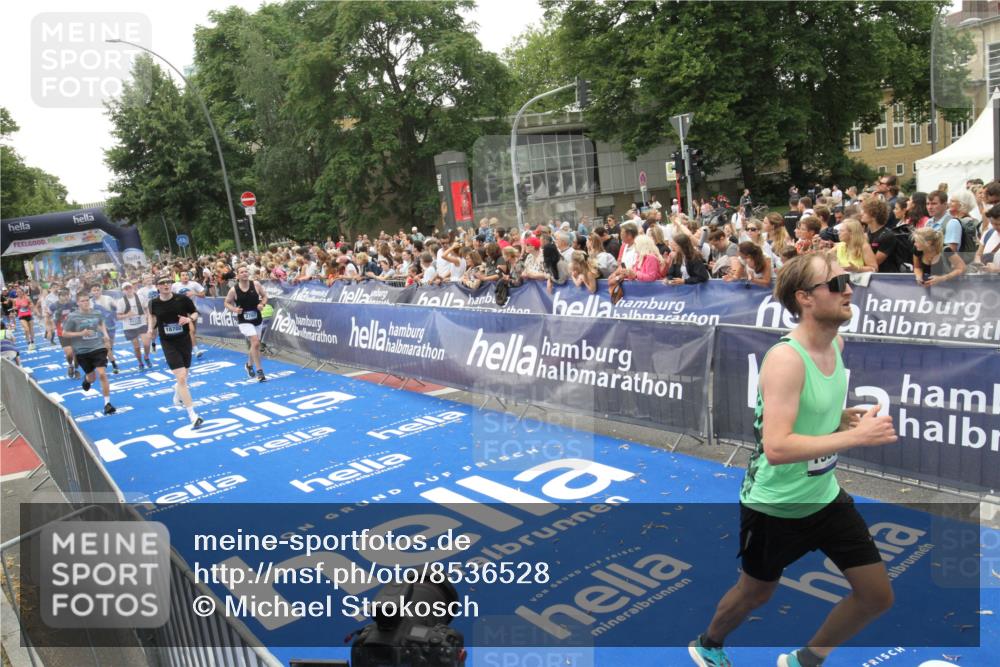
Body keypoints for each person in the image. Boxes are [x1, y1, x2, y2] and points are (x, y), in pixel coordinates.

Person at [689, 253, 898, 667]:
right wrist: (856, 436)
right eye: (836, 284)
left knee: (876, 596)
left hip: (824, 497)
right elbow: (778, 447)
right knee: (756, 592)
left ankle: (805, 661)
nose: (848, 290)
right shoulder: (786, 359)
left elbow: (807, 412)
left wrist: (839, 418)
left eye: (848, 280)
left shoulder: (835, 344)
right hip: (775, 505)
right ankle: (709, 643)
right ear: (805, 297)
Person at [148, 275, 204, 429]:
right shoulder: (153, 303)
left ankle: (177, 391)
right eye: (162, 283)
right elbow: (152, 318)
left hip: (184, 340)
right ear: (157, 287)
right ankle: (193, 415)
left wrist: (189, 319)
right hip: (168, 343)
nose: (166, 285)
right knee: (181, 377)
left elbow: (195, 313)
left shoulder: (182, 299)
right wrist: (150, 330)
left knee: (184, 376)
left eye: (168, 282)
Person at [62, 292, 117, 415]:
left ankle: (107, 404)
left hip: (98, 347)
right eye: (83, 301)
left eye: (87, 300)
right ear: (78, 303)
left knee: (102, 373)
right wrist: (80, 334)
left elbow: (101, 323)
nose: (86, 303)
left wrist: (105, 335)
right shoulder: (72, 316)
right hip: (82, 351)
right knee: (92, 378)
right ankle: (87, 380)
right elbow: (65, 333)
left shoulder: (96, 313)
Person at [224, 265, 268, 382]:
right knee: (255, 342)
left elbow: (265, 296)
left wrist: (262, 304)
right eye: (241, 272)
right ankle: (260, 372)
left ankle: (249, 365)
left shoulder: (256, 284)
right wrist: (234, 309)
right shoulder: (234, 290)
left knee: (255, 345)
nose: (244, 273)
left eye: (246, 271)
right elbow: (226, 302)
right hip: (244, 320)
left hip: (257, 318)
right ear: (237, 275)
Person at [116, 282, 151, 370]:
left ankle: (146, 357)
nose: (128, 290)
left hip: (142, 323)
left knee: (146, 343)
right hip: (129, 327)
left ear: (133, 288)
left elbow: (147, 308)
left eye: (130, 288)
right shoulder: (120, 301)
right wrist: (127, 315)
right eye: (126, 288)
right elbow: (117, 316)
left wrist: (147, 315)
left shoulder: (140, 297)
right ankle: (140, 362)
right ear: (123, 291)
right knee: (137, 347)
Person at [172, 270, 206, 359]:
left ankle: (187, 346)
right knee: (190, 330)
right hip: (181, 311)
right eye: (183, 275)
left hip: (192, 309)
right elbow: (169, 295)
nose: (185, 276)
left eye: (186, 275)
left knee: (193, 331)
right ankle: (196, 350)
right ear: (180, 277)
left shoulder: (194, 284)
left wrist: (194, 293)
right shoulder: (175, 286)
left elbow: (203, 294)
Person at [89, 284, 120, 374]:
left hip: (111, 325)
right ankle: (114, 364)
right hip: (99, 327)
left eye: (97, 290)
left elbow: (117, 308)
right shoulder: (90, 302)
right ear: (91, 292)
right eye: (94, 290)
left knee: (110, 346)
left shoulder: (108, 298)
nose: (96, 292)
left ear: (101, 290)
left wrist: (115, 308)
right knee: (107, 347)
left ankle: (107, 357)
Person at [49, 288, 78, 378]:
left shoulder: (73, 303)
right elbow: (48, 316)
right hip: (62, 332)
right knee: (69, 352)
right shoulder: (54, 306)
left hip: (75, 331)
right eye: (63, 295)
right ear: (59, 297)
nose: (66, 297)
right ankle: (70, 365)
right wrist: (50, 328)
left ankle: (76, 370)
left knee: (76, 352)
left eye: (67, 295)